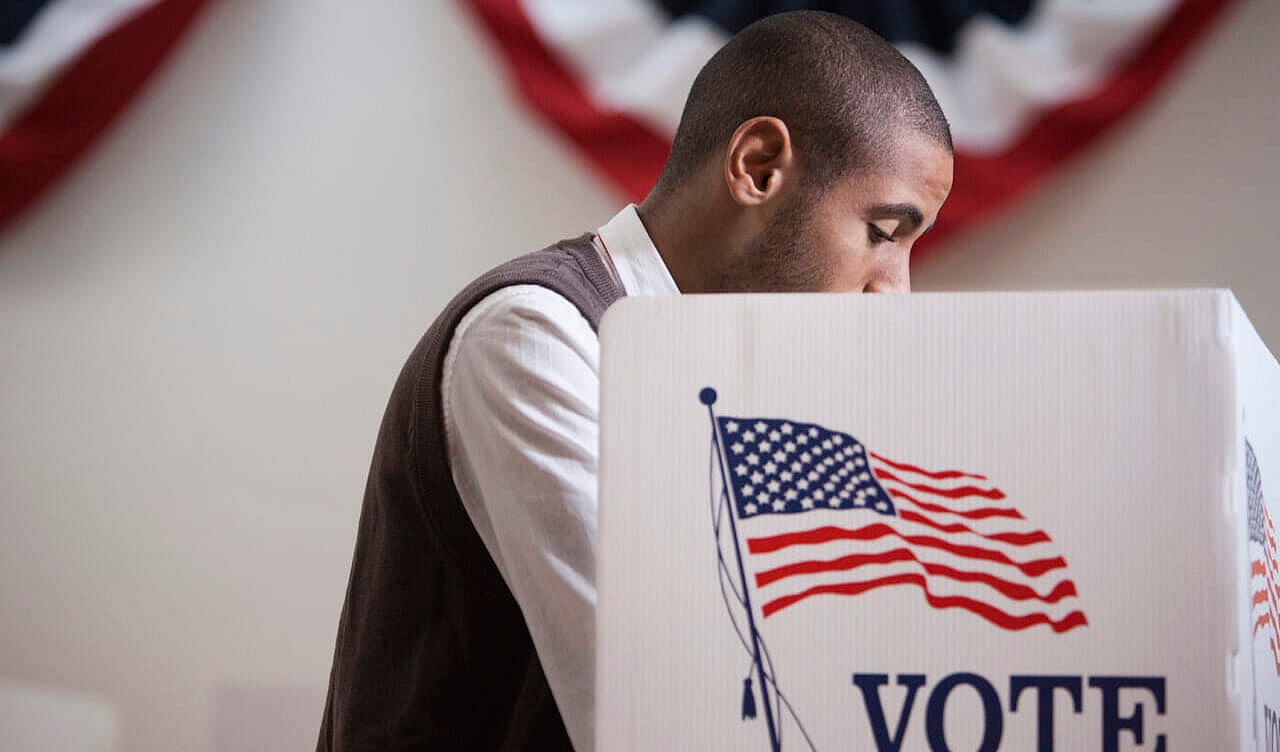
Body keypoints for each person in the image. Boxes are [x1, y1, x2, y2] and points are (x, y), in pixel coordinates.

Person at [316, 10, 953, 752]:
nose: (895, 292)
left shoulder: (724, 376)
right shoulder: (533, 336)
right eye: (882, 233)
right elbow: (658, 711)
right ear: (757, 168)